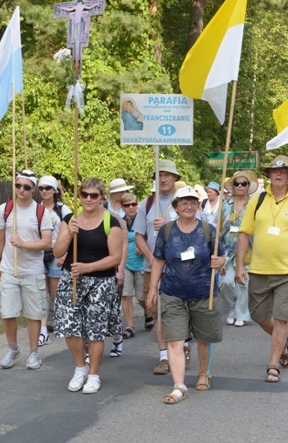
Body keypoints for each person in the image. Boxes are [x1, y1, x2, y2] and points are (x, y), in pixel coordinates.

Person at [236, 155, 288, 383]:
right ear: (269, 175)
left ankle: (273, 365)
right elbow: (244, 234)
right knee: (258, 315)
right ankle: (284, 341)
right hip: (259, 270)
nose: (279, 174)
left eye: (284, 171)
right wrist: (239, 265)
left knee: (281, 318)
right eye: (274, 171)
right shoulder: (258, 201)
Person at [146, 186, 225, 404]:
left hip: (203, 292)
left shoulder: (209, 230)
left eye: (192, 202)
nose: (188, 206)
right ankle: (179, 386)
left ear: (198, 206)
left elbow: (221, 256)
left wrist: (220, 261)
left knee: (203, 338)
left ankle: (203, 373)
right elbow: (159, 260)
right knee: (175, 340)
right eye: (183, 203)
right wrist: (153, 288)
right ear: (176, 207)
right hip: (172, 293)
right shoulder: (167, 230)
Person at [53, 177, 124, 394]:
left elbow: (115, 258)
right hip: (71, 280)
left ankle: (93, 374)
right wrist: (69, 234)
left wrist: (87, 267)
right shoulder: (69, 219)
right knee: (69, 325)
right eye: (84, 194)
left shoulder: (111, 222)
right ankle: (80, 368)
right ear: (79, 196)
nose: (89, 199)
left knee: (95, 330)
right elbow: (57, 252)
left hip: (101, 282)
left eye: (94, 195)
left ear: (103, 198)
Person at [134, 159, 190, 375]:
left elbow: (193, 232)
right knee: (157, 313)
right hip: (153, 270)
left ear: (175, 178)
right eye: (159, 175)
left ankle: (182, 345)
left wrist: (169, 226)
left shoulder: (185, 201)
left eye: (167, 175)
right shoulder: (146, 204)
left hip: (180, 269)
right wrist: (150, 256)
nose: (163, 179)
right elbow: (139, 235)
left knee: (181, 312)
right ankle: (164, 356)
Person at [0, 170, 53, 370]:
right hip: (9, 269)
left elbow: (46, 243)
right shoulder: (5, 209)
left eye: (26, 187)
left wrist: (24, 244)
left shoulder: (41, 212)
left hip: (33, 270)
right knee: (8, 312)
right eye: (18, 186)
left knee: (34, 314)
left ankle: (34, 353)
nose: (21, 190)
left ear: (33, 189)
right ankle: (12, 348)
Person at [219, 170, 258, 327]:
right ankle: (232, 310)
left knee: (244, 283)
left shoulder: (254, 204)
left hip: (248, 249)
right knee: (225, 282)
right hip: (227, 250)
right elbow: (219, 229)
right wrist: (218, 254)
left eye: (244, 183)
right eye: (237, 183)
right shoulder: (225, 205)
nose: (240, 186)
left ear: (248, 186)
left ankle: (241, 314)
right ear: (233, 187)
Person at [38, 175, 72, 346]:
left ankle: (58, 320)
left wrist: (66, 254)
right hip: (38, 253)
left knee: (55, 293)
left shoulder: (62, 209)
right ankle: (43, 329)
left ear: (54, 190)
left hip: (56, 253)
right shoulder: (35, 208)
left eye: (48, 188)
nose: (45, 191)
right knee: (39, 292)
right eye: (41, 188)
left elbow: (71, 230)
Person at [110, 192, 143, 358]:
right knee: (127, 296)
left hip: (143, 263)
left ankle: (149, 315)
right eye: (127, 205)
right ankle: (130, 325)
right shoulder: (119, 222)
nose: (131, 207)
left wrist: (142, 246)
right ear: (122, 207)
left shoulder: (143, 219)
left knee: (143, 298)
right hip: (126, 263)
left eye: (133, 204)